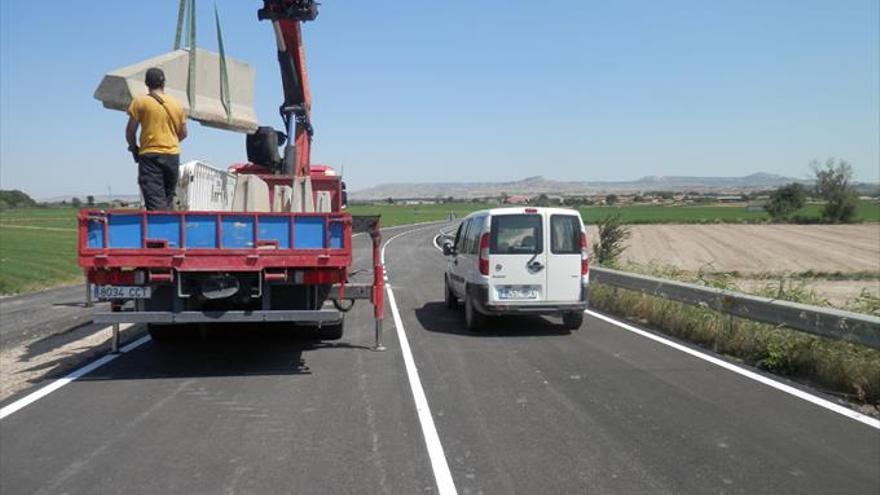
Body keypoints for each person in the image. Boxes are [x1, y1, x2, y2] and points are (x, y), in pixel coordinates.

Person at [125, 67, 188, 210]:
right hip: (172, 157)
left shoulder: (140, 102)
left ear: (147, 83)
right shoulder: (177, 104)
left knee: (156, 206)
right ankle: (169, 230)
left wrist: (134, 147)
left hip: (150, 157)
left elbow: (130, 131)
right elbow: (183, 133)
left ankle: (161, 232)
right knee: (167, 200)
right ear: (164, 83)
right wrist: (169, 142)